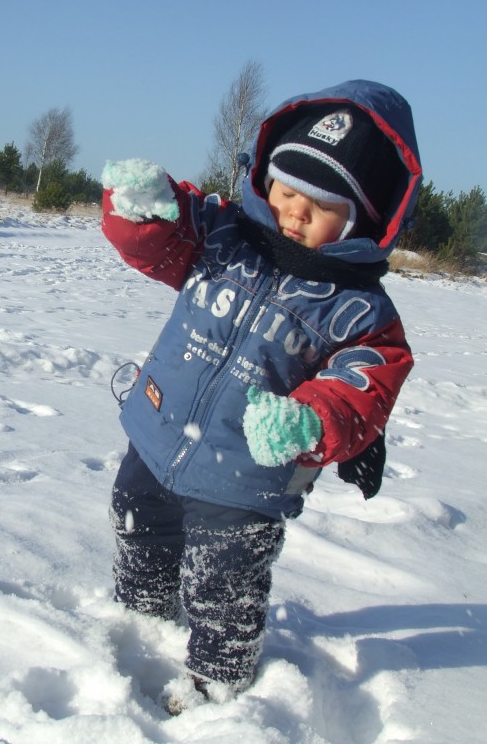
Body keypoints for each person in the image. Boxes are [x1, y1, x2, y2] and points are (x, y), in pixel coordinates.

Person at [100, 79, 422, 713]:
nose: (294, 212)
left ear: (362, 220)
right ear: (264, 179)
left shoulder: (360, 311)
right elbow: (162, 237)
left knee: (225, 580)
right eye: (286, 189)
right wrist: (141, 209)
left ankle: (217, 676)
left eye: (321, 205)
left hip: (246, 476)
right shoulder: (222, 234)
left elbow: (367, 381)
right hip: (159, 432)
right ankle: (143, 619)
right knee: (137, 519)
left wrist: (311, 418)